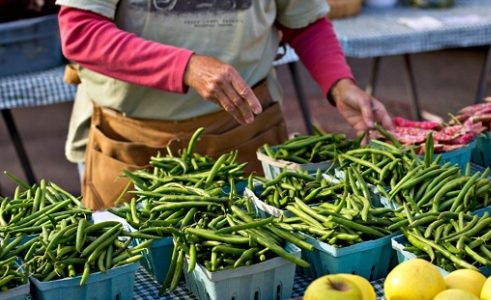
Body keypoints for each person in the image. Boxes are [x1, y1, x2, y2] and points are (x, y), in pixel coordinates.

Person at [56, 0, 393, 210]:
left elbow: (304, 22)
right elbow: (81, 34)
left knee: (255, 260)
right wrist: (186, 67)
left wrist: (339, 83)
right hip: (132, 143)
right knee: (138, 285)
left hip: (244, 133)